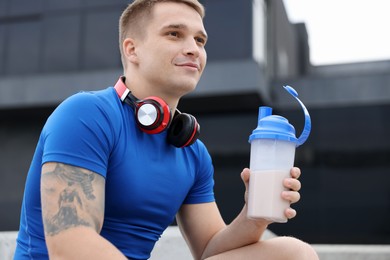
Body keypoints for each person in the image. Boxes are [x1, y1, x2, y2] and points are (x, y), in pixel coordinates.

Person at [14, 0, 319, 259]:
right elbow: (70, 246)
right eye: (174, 34)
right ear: (132, 49)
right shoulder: (86, 114)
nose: (193, 49)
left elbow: (210, 248)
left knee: (294, 253)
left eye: (200, 41)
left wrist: (255, 214)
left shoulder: (192, 151)